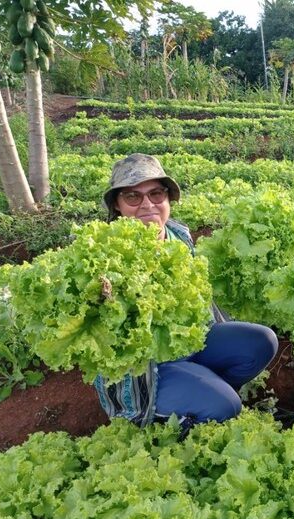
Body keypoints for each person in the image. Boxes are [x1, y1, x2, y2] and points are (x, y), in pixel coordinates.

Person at [95, 153, 278, 431]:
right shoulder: (101, 257)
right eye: (133, 197)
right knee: (227, 406)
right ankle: (167, 421)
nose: (147, 204)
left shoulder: (178, 236)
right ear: (117, 206)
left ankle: (202, 390)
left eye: (156, 194)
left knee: (262, 341)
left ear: (168, 199)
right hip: (146, 369)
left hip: (189, 341)